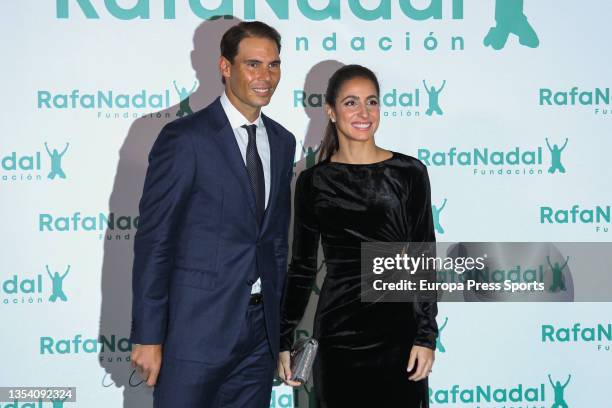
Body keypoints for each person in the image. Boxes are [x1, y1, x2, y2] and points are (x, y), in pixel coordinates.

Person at [129, 21, 296, 408]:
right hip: (195, 330)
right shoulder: (185, 138)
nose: (265, 77)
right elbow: (156, 240)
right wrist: (148, 336)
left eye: (273, 65)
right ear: (225, 67)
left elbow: (272, 244)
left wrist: (281, 333)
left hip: (260, 334)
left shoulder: (283, 142)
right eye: (253, 64)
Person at [278, 65, 438, 407]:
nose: (364, 113)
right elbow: (303, 268)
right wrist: (283, 337)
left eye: (372, 102)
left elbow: (423, 258)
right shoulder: (313, 182)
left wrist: (426, 336)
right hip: (338, 334)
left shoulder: (409, 173)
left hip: (398, 335)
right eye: (351, 103)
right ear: (331, 111)